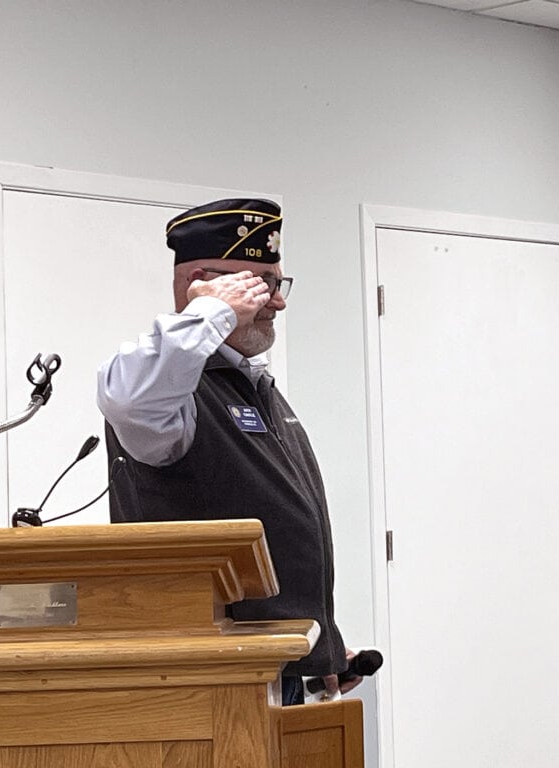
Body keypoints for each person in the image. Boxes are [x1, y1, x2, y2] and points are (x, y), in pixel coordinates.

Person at [97, 197, 356, 705]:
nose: (277, 302)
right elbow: (126, 398)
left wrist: (321, 644)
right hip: (205, 677)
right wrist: (210, 309)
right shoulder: (172, 392)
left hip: (270, 663)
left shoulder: (250, 383)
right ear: (201, 283)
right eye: (261, 285)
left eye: (279, 284)